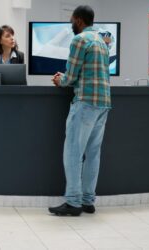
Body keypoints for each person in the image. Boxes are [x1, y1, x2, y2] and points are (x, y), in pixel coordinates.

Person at [49, 5, 111, 216]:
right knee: (93, 154)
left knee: (73, 153)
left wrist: (60, 80)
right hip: (103, 104)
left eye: (72, 20)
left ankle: (73, 203)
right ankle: (87, 200)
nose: (71, 24)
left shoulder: (79, 40)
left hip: (85, 103)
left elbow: (71, 76)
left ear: (79, 20)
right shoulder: (102, 42)